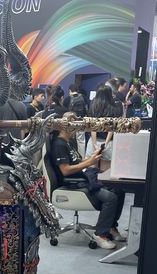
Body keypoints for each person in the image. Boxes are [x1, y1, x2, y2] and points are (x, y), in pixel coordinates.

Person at [50, 112, 125, 249]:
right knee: (110, 198)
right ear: (66, 126)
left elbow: (77, 162)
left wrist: (91, 158)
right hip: (74, 182)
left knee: (119, 189)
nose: (76, 129)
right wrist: (89, 162)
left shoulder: (68, 142)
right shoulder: (59, 144)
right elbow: (65, 170)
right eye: (74, 126)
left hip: (82, 177)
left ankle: (111, 227)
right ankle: (100, 234)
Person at [85, 85, 123, 173]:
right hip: (109, 143)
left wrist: (95, 144)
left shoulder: (93, 106)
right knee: (105, 173)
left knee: (91, 171)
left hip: (94, 141)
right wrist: (106, 143)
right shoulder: (115, 106)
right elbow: (112, 128)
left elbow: (93, 127)